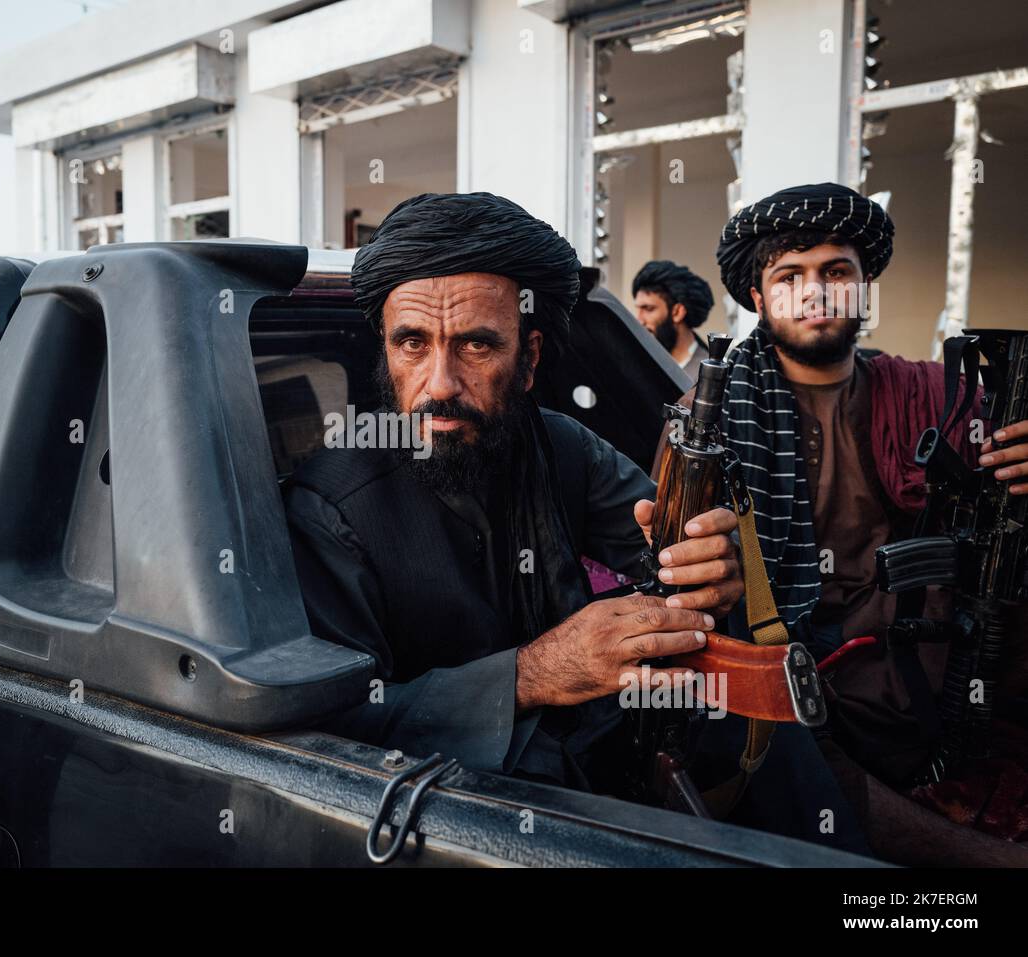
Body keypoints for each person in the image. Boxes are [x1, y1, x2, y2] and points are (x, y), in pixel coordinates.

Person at [285, 191, 869, 853]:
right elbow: (337, 736)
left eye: (476, 345)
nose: (439, 382)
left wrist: (714, 560)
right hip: (461, 805)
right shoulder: (333, 507)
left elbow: (668, 539)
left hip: (596, 748)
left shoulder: (557, 445)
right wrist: (532, 673)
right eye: (412, 344)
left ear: (530, 358)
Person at [666, 181, 1028, 864]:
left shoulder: (929, 391)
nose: (816, 292)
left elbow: (1003, 440)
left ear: (865, 288)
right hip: (791, 676)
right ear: (756, 296)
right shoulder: (707, 422)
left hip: (922, 659)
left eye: (837, 272)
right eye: (790, 276)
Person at [631, 260, 714, 379]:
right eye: (638, 309)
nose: (639, 320)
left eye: (648, 309)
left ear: (677, 312)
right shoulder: (640, 368)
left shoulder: (709, 376)